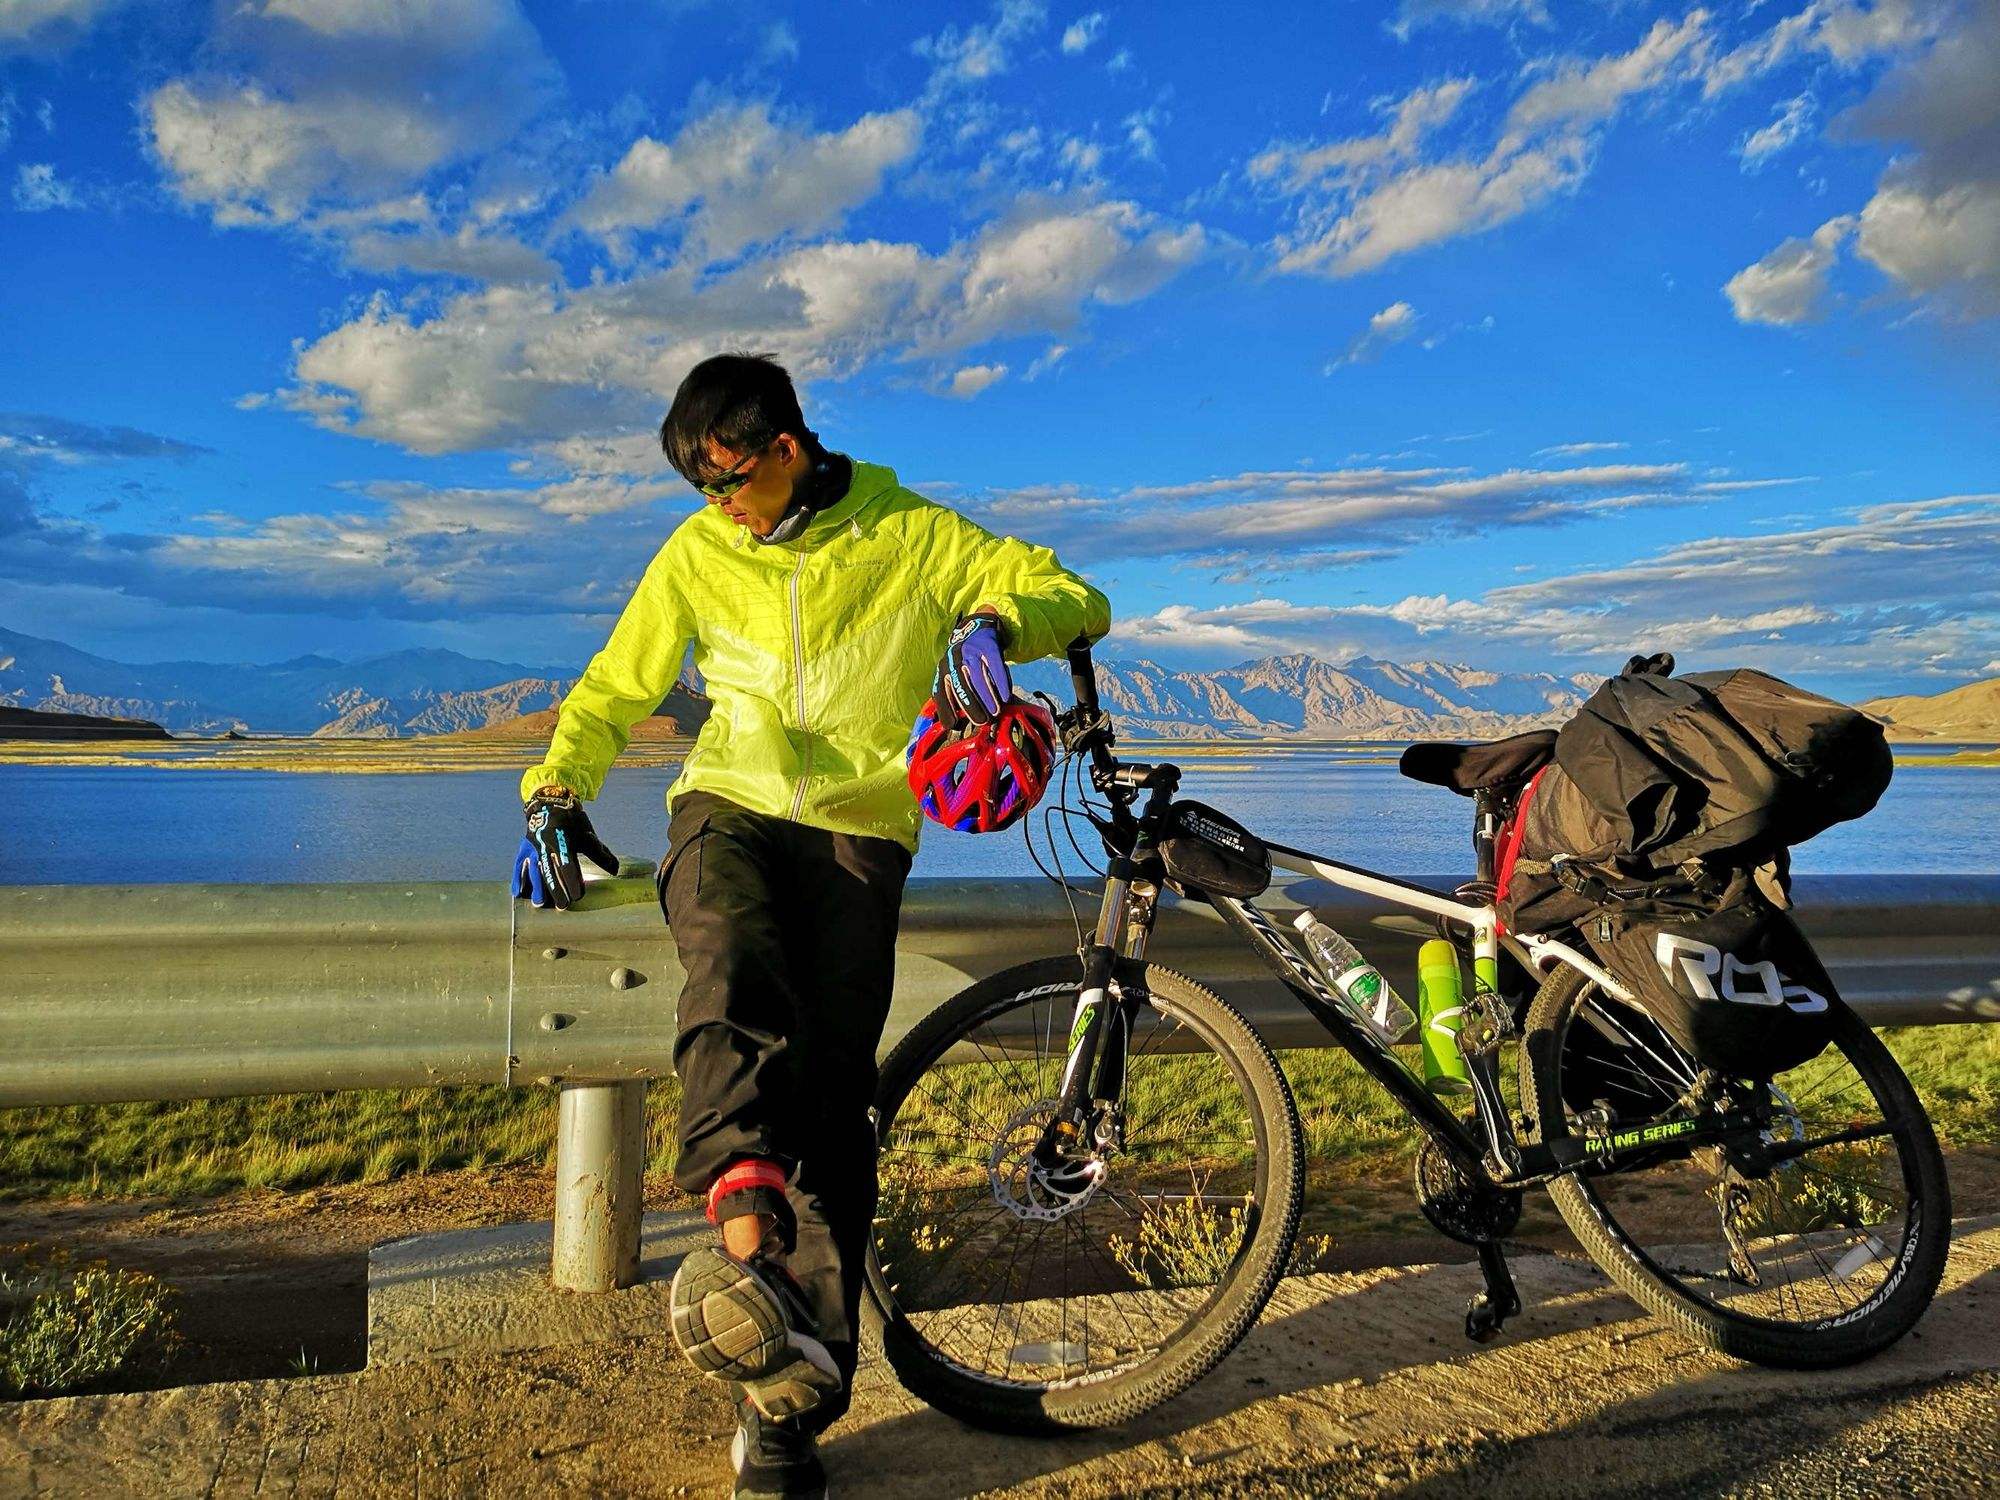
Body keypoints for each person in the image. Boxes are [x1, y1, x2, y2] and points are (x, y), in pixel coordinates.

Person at [512, 352, 1110, 1499]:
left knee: (836, 1104)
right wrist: (555, 785)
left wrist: (995, 618)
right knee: (727, 970)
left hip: (858, 835)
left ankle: (790, 1407)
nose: (715, 506)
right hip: (726, 804)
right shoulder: (700, 551)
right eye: (698, 488)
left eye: (728, 480)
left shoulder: (911, 533)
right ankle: (741, 1208)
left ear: (787, 447)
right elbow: (614, 680)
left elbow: (1075, 592)